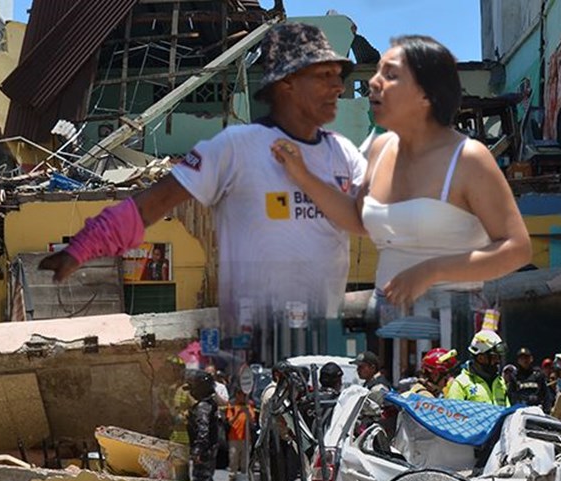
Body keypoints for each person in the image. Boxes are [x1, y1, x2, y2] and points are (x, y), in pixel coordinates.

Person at [40, 22, 366, 340]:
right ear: (287, 83)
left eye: (339, 76)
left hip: (324, 345)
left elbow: (369, 217)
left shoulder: (343, 153)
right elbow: (154, 203)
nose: (338, 86)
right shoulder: (236, 148)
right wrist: (82, 247)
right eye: (324, 75)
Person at [271, 34, 530, 343]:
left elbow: (517, 249)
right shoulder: (379, 149)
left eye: (390, 75)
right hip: (386, 322)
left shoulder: (469, 158)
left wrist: (431, 271)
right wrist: (302, 174)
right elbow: (358, 220)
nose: (373, 83)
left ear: (426, 94)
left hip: (453, 326)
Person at [185, 370, 221, 481]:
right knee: (203, 480)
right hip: (208, 447)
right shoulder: (208, 403)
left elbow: (203, 429)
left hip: (205, 449)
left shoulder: (203, 407)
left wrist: (198, 450)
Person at [445, 330, 509, 406]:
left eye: (499, 357)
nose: (498, 361)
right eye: (494, 357)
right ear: (480, 357)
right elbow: (452, 413)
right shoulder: (461, 384)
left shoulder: (500, 383)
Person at [224, 390, 253, 481]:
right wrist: (238, 413)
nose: (242, 397)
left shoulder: (249, 406)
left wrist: (247, 412)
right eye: (240, 395)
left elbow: (252, 421)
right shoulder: (232, 407)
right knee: (233, 460)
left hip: (246, 438)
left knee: (245, 461)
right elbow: (230, 421)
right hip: (234, 438)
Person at [509, 347, 552, 412]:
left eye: (526, 357)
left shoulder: (538, 375)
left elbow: (546, 395)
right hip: (520, 411)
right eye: (522, 358)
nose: (524, 360)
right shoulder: (514, 376)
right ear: (518, 361)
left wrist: (546, 410)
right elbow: (511, 395)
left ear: (531, 359)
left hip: (537, 410)